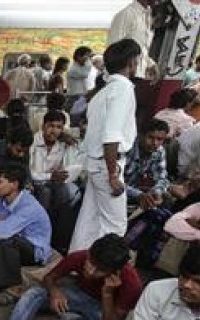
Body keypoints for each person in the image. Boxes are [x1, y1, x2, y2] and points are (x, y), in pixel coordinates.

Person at [0, 233, 142, 320]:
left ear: (115, 271)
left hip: (103, 311)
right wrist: (55, 292)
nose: (90, 271)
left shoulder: (131, 283)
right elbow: (49, 278)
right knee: (34, 294)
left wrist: (107, 293)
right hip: (77, 297)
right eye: (90, 263)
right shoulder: (80, 256)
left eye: (99, 270)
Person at [69, 39, 141, 252]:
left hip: (95, 162)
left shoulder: (103, 91)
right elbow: (111, 136)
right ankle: (103, 271)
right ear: (131, 61)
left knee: (89, 219)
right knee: (116, 225)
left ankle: (77, 262)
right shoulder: (123, 88)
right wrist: (112, 174)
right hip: (108, 164)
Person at [0, 163, 52, 304]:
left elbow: (1, 232)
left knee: (8, 239)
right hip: (11, 245)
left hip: (34, 251)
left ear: (14, 184)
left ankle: (11, 290)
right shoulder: (0, 200)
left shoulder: (28, 205)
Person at [29, 110, 83, 254]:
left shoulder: (62, 144)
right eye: (51, 126)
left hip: (55, 183)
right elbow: (30, 173)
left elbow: (71, 168)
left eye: (59, 127)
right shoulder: (33, 141)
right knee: (45, 193)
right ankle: (41, 237)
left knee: (70, 194)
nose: (54, 131)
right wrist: (50, 177)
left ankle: (60, 241)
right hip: (35, 183)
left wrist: (72, 145)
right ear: (43, 126)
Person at [124, 118, 170, 212]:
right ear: (140, 135)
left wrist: (156, 192)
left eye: (159, 139)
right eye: (150, 137)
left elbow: (162, 178)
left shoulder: (159, 151)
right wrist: (138, 194)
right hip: (111, 191)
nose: (155, 143)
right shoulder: (127, 147)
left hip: (132, 191)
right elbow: (111, 181)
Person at [107, 0, 153, 78]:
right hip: (124, 78)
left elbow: (142, 48)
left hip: (139, 76)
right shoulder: (126, 14)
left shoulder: (147, 15)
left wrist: (150, 64)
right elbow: (113, 52)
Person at [0, 126, 34, 193]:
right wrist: (1, 186)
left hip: (15, 187)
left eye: (24, 151)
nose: (22, 155)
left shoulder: (24, 152)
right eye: (18, 151)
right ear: (9, 143)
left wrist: (28, 185)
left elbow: (26, 172)